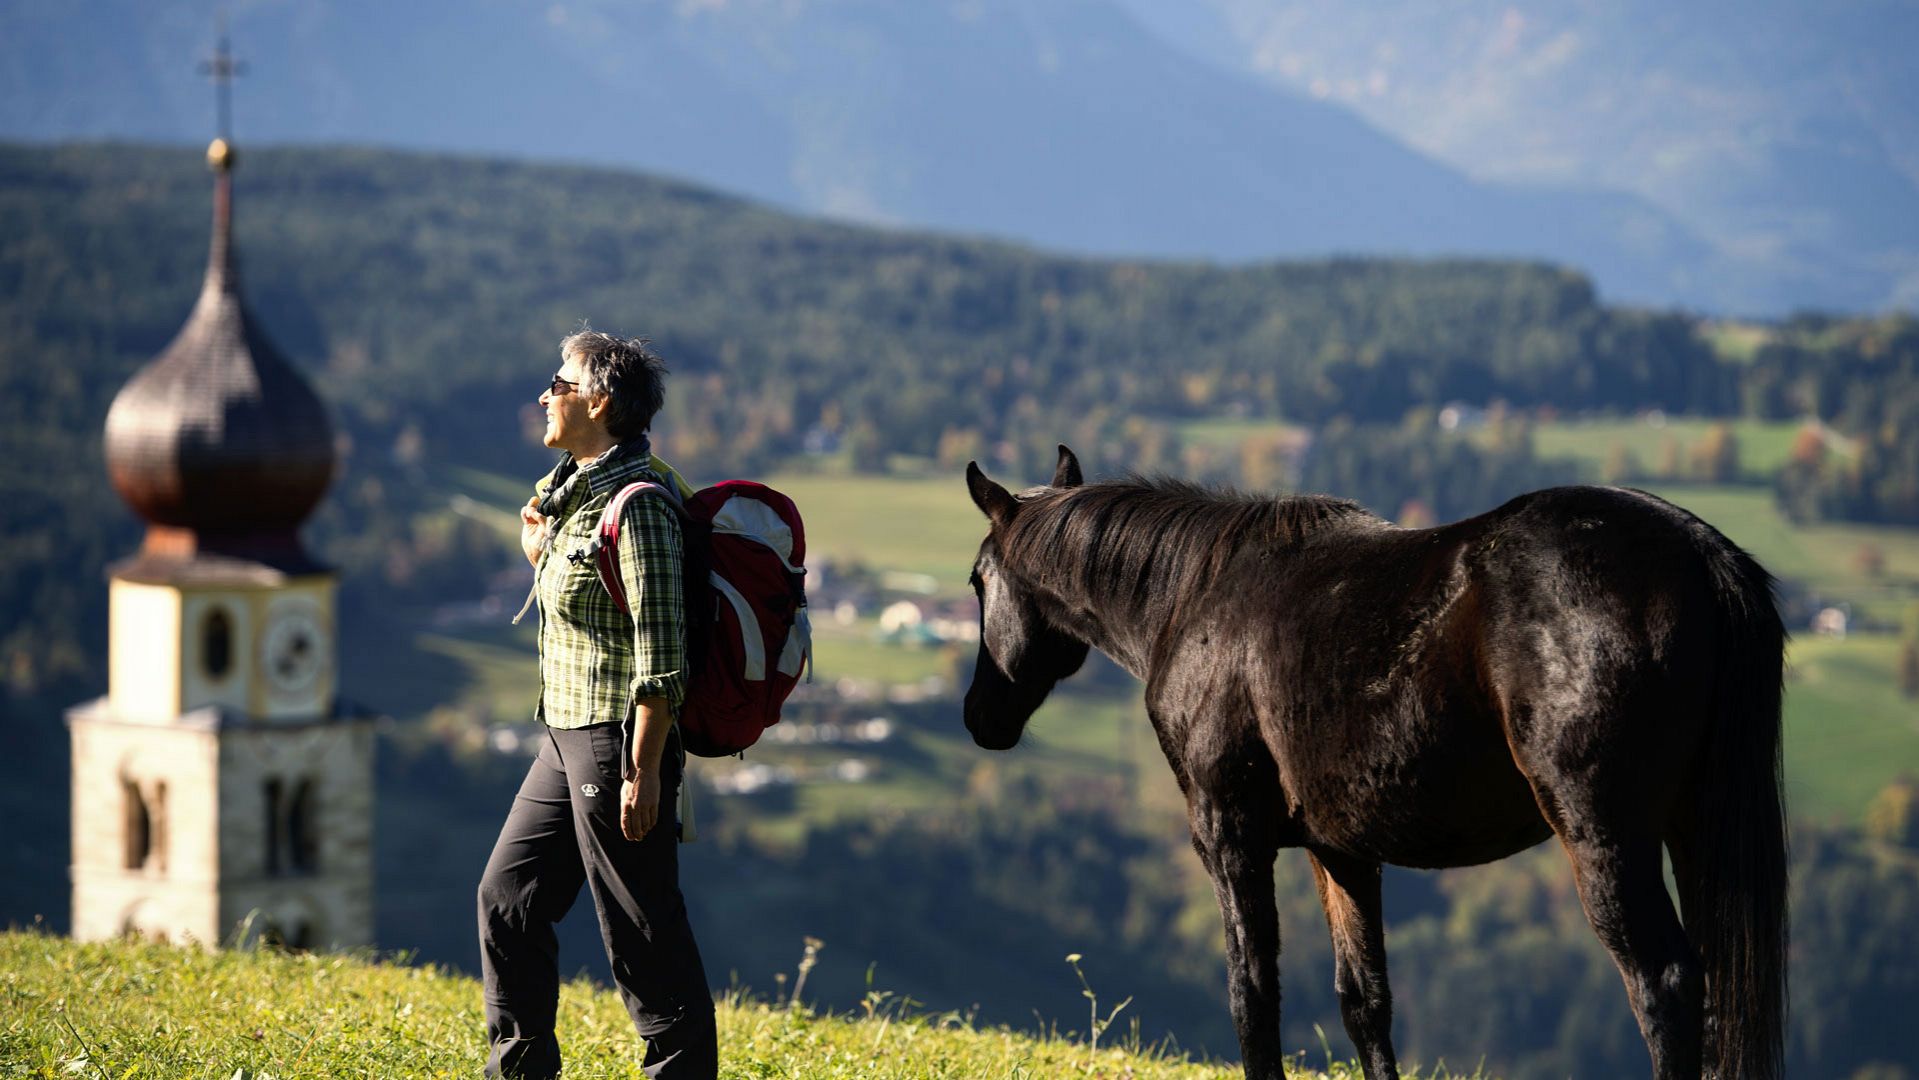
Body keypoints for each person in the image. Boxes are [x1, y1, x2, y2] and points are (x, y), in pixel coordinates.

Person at [477, 330, 716, 1079]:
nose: (546, 393)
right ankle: (517, 1071)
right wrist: (538, 550)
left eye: (561, 382)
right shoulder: (576, 495)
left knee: (639, 931)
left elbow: (662, 653)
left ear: (601, 401)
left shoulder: (637, 505)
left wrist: (643, 772)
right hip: (564, 733)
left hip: (617, 746)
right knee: (508, 898)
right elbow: (584, 592)